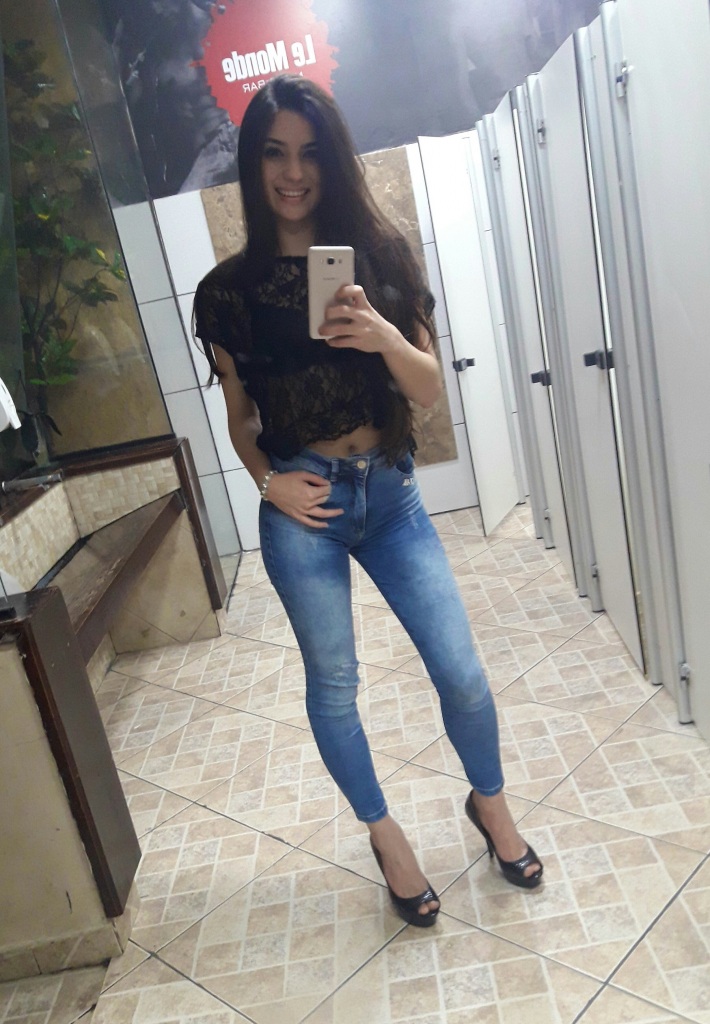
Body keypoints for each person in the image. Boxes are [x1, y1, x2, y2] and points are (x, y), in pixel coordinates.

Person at [193, 74, 543, 927]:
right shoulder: (227, 293)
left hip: (389, 498)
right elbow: (239, 419)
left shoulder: (381, 255)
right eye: (274, 153)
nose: (293, 173)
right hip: (302, 511)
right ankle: (386, 837)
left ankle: (490, 804)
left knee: (461, 672)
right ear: (253, 164)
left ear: (334, 159)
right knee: (335, 685)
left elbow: (426, 388)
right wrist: (267, 481)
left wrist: (381, 333)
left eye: (310, 153)